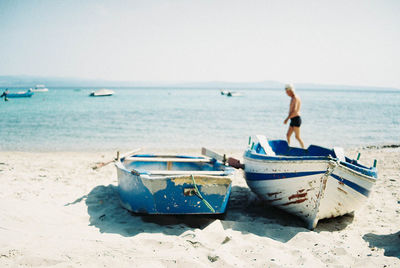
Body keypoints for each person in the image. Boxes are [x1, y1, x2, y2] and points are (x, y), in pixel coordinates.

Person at [283, 84, 304, 148]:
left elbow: (294, 110)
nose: (287, 94)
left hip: (296, 119)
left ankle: (304, 149)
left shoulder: (295, 98)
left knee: (297, 137)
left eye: (287, 92)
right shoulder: (293, 98)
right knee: (288, 135)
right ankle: (288, 148)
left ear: (290, 91)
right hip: (293, 119)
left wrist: (287, 119)